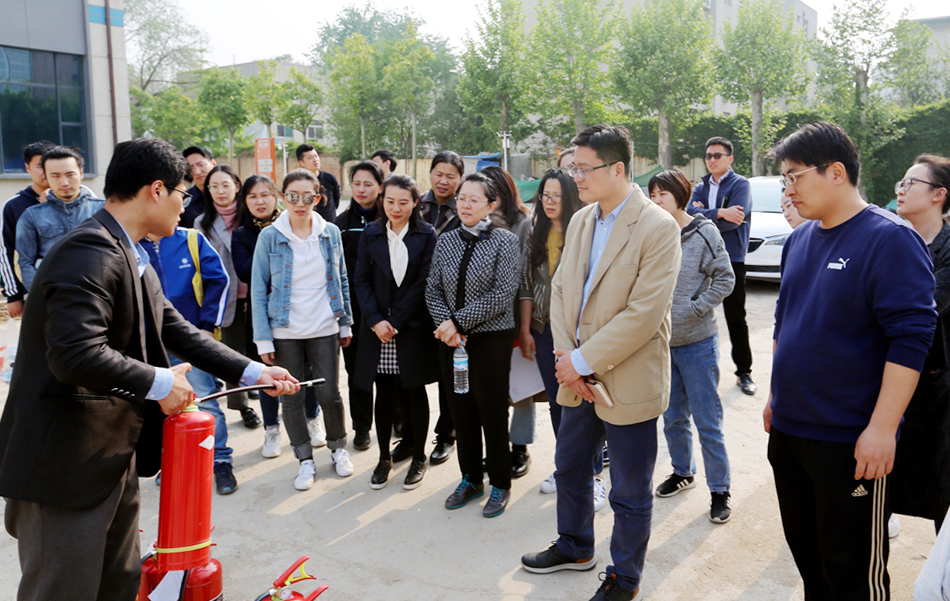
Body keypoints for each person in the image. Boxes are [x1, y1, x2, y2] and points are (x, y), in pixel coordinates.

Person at [0, 137, 297, 600]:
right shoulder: (88, 252)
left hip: (109, 454)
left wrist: (254, 373)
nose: (185, 206)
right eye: (183, 193)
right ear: (156, 190)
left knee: (116, 584)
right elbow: (75, 352)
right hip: (63, 464)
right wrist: (160, 383)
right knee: (64, 590)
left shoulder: (132, 251)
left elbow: (176, 330)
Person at [764, 122, 936, 600]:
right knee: (811, 562)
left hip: (850, 442)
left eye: (795, 176)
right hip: (791, 432)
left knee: (853, 574)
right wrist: (776, 399)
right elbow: (785, 322)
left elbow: (911, 338)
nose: (789, 189)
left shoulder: (890, 239)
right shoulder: (800, 240)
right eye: (785, 179)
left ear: (836, 172)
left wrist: (882, 428)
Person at [521, 125, 681, 601]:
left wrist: (584, 360)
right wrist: (570, 358)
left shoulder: (657, 226)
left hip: (626, 376)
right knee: (570, 465)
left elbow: (644, 313)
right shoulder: (584, 218)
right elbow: (566, 288)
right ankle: (575, 544)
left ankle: (625, 577)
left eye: (583, 168)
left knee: (628, 490)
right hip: (577, 371)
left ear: (618, 169)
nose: (576, 177)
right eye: (573, 168)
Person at [425, 172, 522, 518]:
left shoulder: (505, 241)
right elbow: (432, 288)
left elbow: (503, 292)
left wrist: (459, 322)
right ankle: (470, 478)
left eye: (473, 199)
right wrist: (446, 327)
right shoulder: (446, 240)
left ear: (491, 205)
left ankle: (500, 481)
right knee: (459, 410)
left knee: (492, 411)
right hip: (450, 342)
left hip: (489, 340)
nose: (464, 204)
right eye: (461, 198)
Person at [251, 168, 355, 490]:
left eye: (307, 197)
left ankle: (338, 449)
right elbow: (258, 289)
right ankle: (305, 460)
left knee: (330, 395)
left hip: (324, 325)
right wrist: (263, 338)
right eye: (293, 196)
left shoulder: (330, 233)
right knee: (291, 398)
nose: (300, 203)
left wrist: (345, 321)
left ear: (317, 198)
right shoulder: (270, 236)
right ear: (284, 197)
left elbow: (341, 280)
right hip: (284, 330)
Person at [649, 168, 736, 523]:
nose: (655, 202)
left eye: (662, 196)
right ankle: (683, 472)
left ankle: (720, 489)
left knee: (707, 420)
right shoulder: (653, 233)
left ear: (680, 197)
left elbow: (725, 278)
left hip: (697, 342)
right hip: (662, 343)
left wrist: (694, 308)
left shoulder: (704, 231)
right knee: (671, 417)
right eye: (651, 196)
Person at [520, 168, 608, 509]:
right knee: (559, 405)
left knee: (586, 404)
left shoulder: (585, 230)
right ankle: (566, 468)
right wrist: (526, 330)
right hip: (544, 332)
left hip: (578, 334)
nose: (549, 201)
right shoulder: (533, 231)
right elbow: (526, 286)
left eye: (556, 195)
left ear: (569, 196)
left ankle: (595, 476)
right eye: (545, 195)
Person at [355, 174, 439, 490]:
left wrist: (397, 321)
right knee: (385, 394)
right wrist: (376, 320)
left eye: (403, 202)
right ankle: (383, 458)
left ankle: (419, 456)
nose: (395, 207)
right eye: (389, 201)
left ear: (415, 202)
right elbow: (360, 279)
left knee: (415, 392)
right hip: (377, 330)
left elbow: (424, 283)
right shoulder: (371, 233)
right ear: (382, 200)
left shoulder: (426, 234)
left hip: (411, 328)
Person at [142, 225, 238, 494]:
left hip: (189, 341)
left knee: (203, 398)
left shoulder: (192, 239)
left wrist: (207, 326)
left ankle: (219, 459)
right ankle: (172, 461)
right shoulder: (132, 243)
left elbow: (219, 279)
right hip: (150, 344)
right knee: (160, 403)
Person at [232, 175, 323, 457]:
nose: (260, 201)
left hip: (300, 312)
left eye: (265, 195)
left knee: (305, 371)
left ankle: (313, 419)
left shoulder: (297, 225)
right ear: (245, 202)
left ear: (276, 197)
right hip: (261, 315)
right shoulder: (242, 235)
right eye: (252, 197)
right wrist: (273, 250)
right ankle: (271, 429)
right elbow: (246, 272)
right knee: (266, 373)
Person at [891, 154, 950, 535]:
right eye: (902, 181)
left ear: (939, 195)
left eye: (911, 183)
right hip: (895, 379)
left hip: (939, 387)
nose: (901, 188)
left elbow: (925, 306)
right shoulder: (895, 239)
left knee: (941, 491)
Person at [687, 137, 755, 396]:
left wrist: (705, 213)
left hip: (731, 259)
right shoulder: (701, 185)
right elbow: (687, 212)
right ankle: (696, 372)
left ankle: (744, 372)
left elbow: (736, 220)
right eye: (709, 156)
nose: (712, 160)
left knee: (736, 317)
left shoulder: (740, 184)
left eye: (718, 155)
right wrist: (719, 213)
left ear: (730, 158)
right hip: (702, 259)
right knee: (697, 313)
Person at [197, 165, 262, 430]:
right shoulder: (202, 223)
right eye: (214, 186)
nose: (220, 191)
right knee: (232, 354)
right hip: (228, 298)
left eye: (226, 185)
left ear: (237, 186)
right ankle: (242, 406)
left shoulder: (252, 214)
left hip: (259, 294)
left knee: (261, 350)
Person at [483, 165, 536, 479]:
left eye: (494, 191)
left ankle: (519, 447)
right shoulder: (473, 222)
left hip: (514, 316)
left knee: (522, 388)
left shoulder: (523, 223)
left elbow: (525, 277)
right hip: (482, 322)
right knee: (492, 389)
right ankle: (497, 446)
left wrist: (525, 325)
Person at [420, 150, 465, 466]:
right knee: (413, 373)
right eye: (439, 173)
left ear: (460, 179)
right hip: (412, 302)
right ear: (430, 173)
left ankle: (447, 434)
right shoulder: (414, 204)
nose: (443, 180)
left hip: (449, 308)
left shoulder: (464, 209)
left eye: (451, 175)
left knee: (451, 376)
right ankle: (410, 433)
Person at [336, 161, 384, 452]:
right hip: (354, 313)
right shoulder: (340, 225)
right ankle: (362, 427)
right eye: (357, 184)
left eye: (369, 184)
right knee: (358, 374)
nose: (362, 189)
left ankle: (397, 420)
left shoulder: (391, 218)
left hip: (386, 312)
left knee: (391, 372)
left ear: (380, 187)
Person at [16, 146, 104, 292]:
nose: (64, 182)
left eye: (70, 174)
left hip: (97, 293)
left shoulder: (103, 210)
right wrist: (40, 296)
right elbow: (25, 263)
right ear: (46, 177)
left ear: (81, 173)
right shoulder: (31, 216)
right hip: (52, 297)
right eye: (55, 176)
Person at [0, 140, 54, 317]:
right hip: (34, 289)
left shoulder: (82, 198)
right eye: (39, 166)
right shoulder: (13, 206)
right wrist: (13, 295)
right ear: (27, 168)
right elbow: (4, 252)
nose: (45, 172)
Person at [296, 143, 339, 222]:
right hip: (307, 225)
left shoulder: (330, 178)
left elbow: (336, 201)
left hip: (329, 225)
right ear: (301, 163)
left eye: (316, 156)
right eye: (310, 158)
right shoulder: (298, 182)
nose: (315, 159)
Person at [181, 146, 216, 228]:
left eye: (201, 165)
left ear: (213, 164)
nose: (197, 172)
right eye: (191, 168)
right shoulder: (183, 201)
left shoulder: (235, 195)